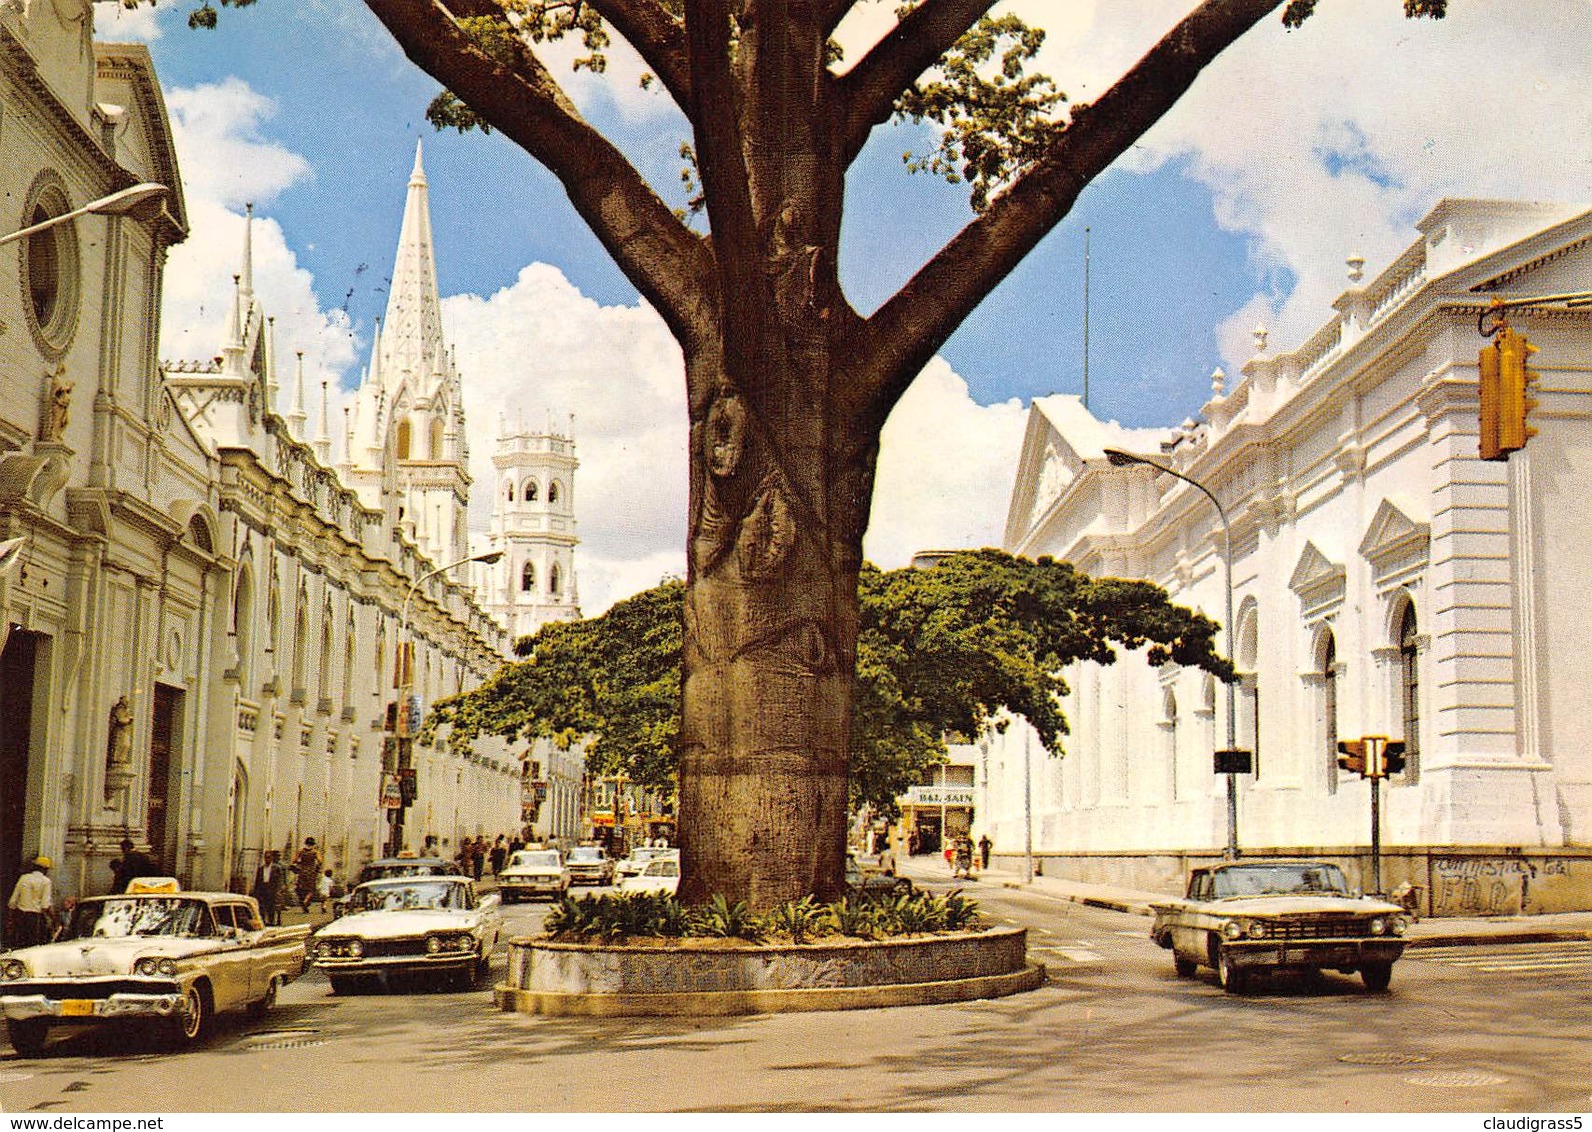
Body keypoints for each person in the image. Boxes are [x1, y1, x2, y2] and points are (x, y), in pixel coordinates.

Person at [7, 856, 55, 948]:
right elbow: (45, 905)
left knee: (19, 944)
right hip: (35, 918)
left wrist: (10, 919)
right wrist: (52, 919)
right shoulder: (46, 882)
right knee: (33, 946)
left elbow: (13, 901)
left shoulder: (23, 878)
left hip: (20, 916)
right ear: (44, 869)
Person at [251, 850, 287, 926]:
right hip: (263, 889)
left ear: (272, 858)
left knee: (271, 907)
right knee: (262, 907)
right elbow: (257, 880)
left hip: (272, 889)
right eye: (266, 858)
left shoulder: (277, 868)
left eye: (269, 857)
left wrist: (278, 890)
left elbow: (280, 880)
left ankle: (271, 921)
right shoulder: (261, 868)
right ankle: (263, 922)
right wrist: (256, 891)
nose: (267, 859)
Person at [291, 837, 323, 913]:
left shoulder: (301, 851)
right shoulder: (315, 852)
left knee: (300, 889)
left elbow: (294, 860)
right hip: (311, 872)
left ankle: (303, 902)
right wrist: (317, 867)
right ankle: (306, 900)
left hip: (302, 872)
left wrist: (300, 863)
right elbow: (320, 861)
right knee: (311, 889)